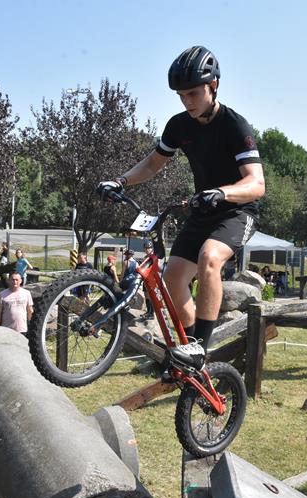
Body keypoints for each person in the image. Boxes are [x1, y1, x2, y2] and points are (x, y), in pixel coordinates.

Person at [97, 45, 264, 370]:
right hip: (204, 208)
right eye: (181, 96)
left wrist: (222, 192)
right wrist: (120, 181)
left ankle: (200, 346)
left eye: (193, 93)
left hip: (237, 210)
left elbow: (256, 184)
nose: (187, 101)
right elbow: (153, 164)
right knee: (172, 277)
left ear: (213, 86)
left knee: (209, 259)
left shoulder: (235, 126)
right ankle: (190, 352)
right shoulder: (179, 125)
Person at [0, 271, 34, 336]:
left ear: (20, 281)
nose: (15, 282)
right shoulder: (2, 294)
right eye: (12, 280)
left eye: (17, 280)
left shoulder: (26, 293)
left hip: (22, 329)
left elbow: (30, 311)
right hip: (6, 329)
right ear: (8, 281)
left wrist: (32, 326)